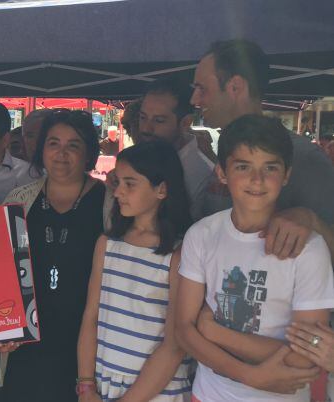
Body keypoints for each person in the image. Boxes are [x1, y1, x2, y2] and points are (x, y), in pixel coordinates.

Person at [175, 114, 334, 400]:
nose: (257, 179)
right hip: (210, 394)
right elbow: (184, 330)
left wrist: (213, 332)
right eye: (243, 166)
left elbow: (307, 356)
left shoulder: (309, 249)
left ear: (286, 174)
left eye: (270, 167)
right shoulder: (202, 235)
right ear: (222, 173)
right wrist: (249, 374)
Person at [191, 39, 334, 261]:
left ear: (235, 87)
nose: (194, 99)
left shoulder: (304, 158)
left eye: (202, 89)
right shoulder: (224, 148)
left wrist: (311, 220)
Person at [1, 110, 106, 402]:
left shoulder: (111, 204)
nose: (62, 154)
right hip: (28, 343)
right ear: (41, 149)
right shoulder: (18, 200)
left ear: (88, 153)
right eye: (53, 143)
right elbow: (1, 273)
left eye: (73, 145)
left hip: (87, 342)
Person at [77, 140, 192, 401]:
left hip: (160, 391)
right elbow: (91, 317)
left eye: (130, 183)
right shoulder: (107, 244)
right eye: (117, 182)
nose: (118, 192)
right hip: (103, 386)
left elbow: (174, 345)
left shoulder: (179, 254)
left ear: (161, 189)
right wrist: (86, 386)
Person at [138, 78, 215, 220]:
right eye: (143, 117)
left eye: (159, 120)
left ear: (186, 122)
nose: (146, 128)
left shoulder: (203, 174)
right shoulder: (138, 157)